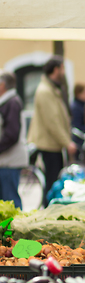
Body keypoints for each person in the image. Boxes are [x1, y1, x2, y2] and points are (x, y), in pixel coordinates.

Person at [28, 55, 76, 207]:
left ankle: (51, 210)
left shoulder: (50, 89)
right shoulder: (45, 91)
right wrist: (67, 142)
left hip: (52, 144)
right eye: (62, 68)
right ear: (56, 69)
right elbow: (52, 122)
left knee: (53, 180)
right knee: (52, 182)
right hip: (49, 145)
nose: (64, 72)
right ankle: (49, 211)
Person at [0, 71, 28, 208]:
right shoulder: (7, 102)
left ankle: (14, 230)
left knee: (10, 203)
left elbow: (11, 135)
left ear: (2, 85)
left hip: (9, 162)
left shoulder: (11, 103)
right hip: (5, 162)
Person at [71, 83, 85, 160]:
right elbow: (77, 126)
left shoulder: (84, 106)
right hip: (79, 141)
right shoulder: (76, 107)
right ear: (78, 94)